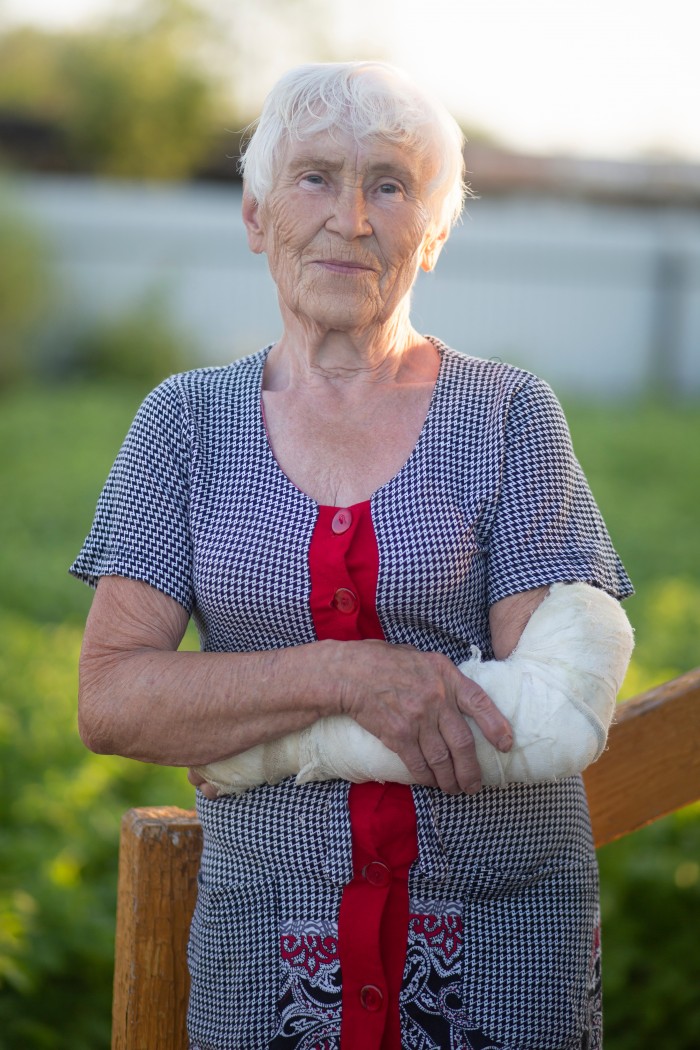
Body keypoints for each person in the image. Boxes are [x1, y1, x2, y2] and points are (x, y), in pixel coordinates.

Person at [71, 62, 633, 1050]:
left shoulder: (506, 414)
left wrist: (261, 723)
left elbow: (540, 714)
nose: (352, 217)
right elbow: (112, 699)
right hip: (265, 950)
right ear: (255, 215)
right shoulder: (184, 424)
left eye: (390, 183)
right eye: (315, 177)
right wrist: (349, 676)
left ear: (437, 229)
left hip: (502, 942)